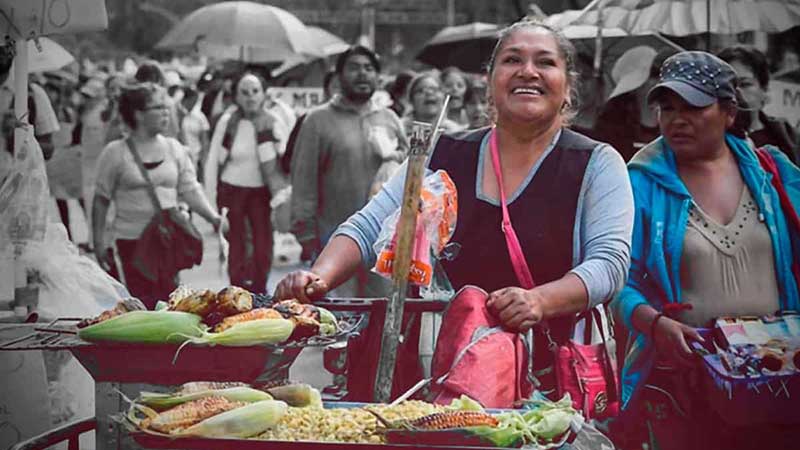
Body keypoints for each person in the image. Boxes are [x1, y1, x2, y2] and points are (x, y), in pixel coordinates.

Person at [277, 19, 633, 397]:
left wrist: (538, 301)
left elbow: (609, 265)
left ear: (567, 86)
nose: (528, 71)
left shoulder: (596, 162)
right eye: (512, 60)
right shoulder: (441, 153)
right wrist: (318, 277)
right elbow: (368, 227)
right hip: (443, 378)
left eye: (545, 62)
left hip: (548, 385)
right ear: (490, 80)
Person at [611, 51, 800, 450]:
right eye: (667, 108)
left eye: (693, 107)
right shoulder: (639, 183)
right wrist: (654, 323)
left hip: (780, 384)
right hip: (684, 386)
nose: (677, 119)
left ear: (729, 112)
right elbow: (617, 277)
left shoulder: (772, 173)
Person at [289, 45, 408, 297]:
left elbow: (412, 170)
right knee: (341, 321)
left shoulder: (389, 118)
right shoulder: (317, 121)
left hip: (386, 246)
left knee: (382, 319)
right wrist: (307, 236)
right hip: (332, 243)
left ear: (378, 77)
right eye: (353, 68)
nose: (362, 74)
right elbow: (303, 181)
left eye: (368, 68)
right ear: (339, 76)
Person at [92, 83, 225, 308]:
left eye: (166, 107)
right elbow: (101, 200)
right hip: (131, 243)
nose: (166, 113)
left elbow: (190, 189)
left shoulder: (175, 148)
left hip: (166, 241)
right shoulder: (115, 153)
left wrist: (213, 218)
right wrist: (98, 241)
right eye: (158, 108)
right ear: (138, 114)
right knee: (139, 306)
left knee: (171, 303)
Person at [203, 72, 288, 294]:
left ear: (263, 95)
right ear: (236, 97)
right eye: (244, 92)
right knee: (237, 245)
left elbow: (286, 158)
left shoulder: (273, 120)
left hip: (262, 192)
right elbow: (213, 158)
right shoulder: (228, 121)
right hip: (233, 190)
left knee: (262, 246)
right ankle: (237, 291)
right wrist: (211, 198)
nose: (250, 97)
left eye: (255, 91)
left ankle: (260, 290)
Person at [590, 46, 676, 161]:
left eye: (660, 75)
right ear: (635, 88)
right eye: (654, 74)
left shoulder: (678, 118)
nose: (658, 82)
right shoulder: (611, 122)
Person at [717, 45, 800, 163]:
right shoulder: (709, 140)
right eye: (728, 85)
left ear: (764, 89)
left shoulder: (788, 137)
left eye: (745, 84)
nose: (736, 92)